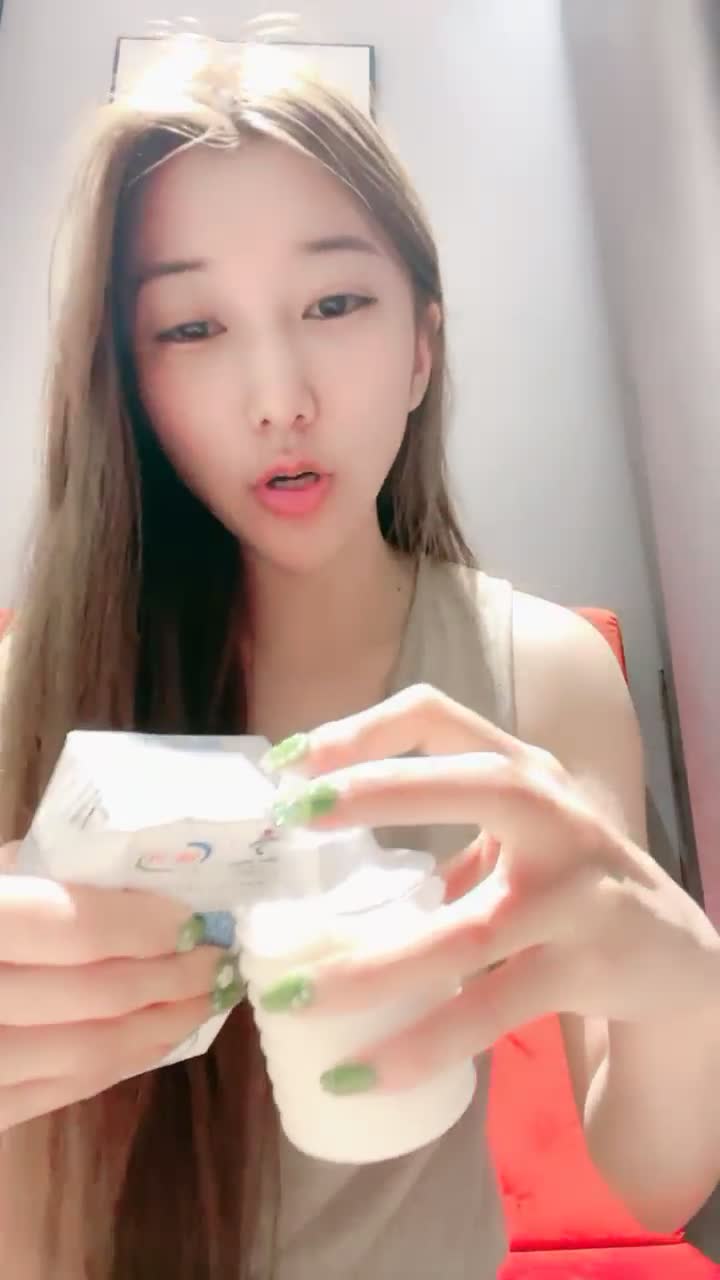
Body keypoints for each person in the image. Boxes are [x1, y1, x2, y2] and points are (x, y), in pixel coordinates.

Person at [0, 37, 718, 1280]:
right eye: (191, 325)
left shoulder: (539, 672)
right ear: (132, 386)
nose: (278, 395)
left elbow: (645, 1177)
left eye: (335, 304)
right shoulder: (40, 686)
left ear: (423, 347)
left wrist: (689, 984)